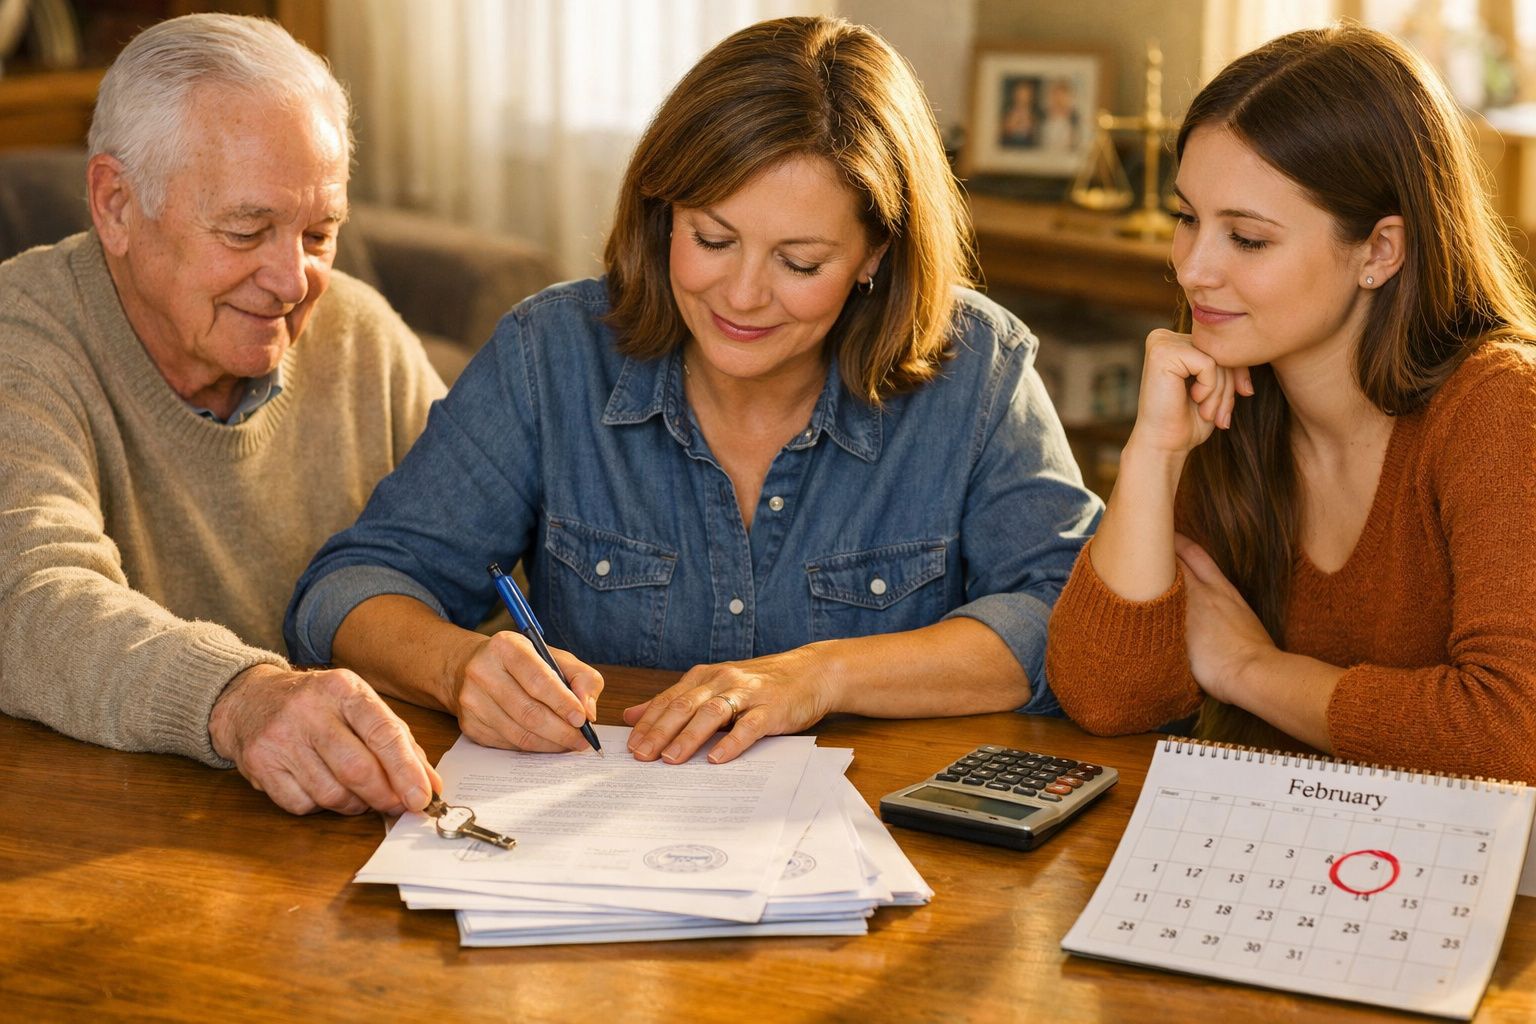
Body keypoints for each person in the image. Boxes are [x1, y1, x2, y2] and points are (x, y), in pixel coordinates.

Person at [286, 15, 1101, 766]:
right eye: (712, 239)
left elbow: (1071, 626)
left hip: (895, 851)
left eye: (799, 262)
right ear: (663, 210)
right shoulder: (553, 354)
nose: (743, 296)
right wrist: (458, 666)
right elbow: (350, 590)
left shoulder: (976, 369)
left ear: (875, 255)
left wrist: (820, 675)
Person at [1045, 24, 1536, 782]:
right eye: (1187, 218)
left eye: (1246, 239)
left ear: (1379, 251)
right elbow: (1108, 698)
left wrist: (1248, 668)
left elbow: (1510, 735)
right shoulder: (1228, 393)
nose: (1193, 270)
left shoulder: (1500, 409)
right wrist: (1154, 455)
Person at [0, 14, 447, 815]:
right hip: (98, 840)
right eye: (247, 230)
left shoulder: (361, 334)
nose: (292, 280)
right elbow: (30, 601)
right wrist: (242, 698)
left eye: (320, 232)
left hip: (359, 828)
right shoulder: (20, 341)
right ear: (116, 206)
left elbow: (500, 571)